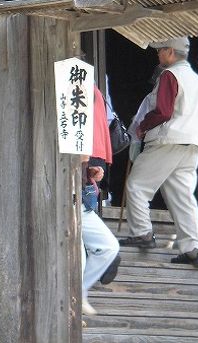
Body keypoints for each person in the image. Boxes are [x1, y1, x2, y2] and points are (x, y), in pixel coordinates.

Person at [119, 36, 198, 268]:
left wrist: (142, 126)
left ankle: (142, 234)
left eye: (160, 51)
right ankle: (192, 248)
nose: (157, 55)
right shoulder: (196, 80)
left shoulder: (170, 75)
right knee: (182, 196)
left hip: (168, 140)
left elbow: (163, 112)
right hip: (192, 143)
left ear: (169, 52)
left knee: (137, 186)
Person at [80, 85, 121, 316]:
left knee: (107, 247)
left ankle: (79, 292)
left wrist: (89, 169)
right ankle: (77, 295)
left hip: (80, 191)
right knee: (79, 257)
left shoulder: (90, 89)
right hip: (57, 193)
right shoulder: (84, 88)